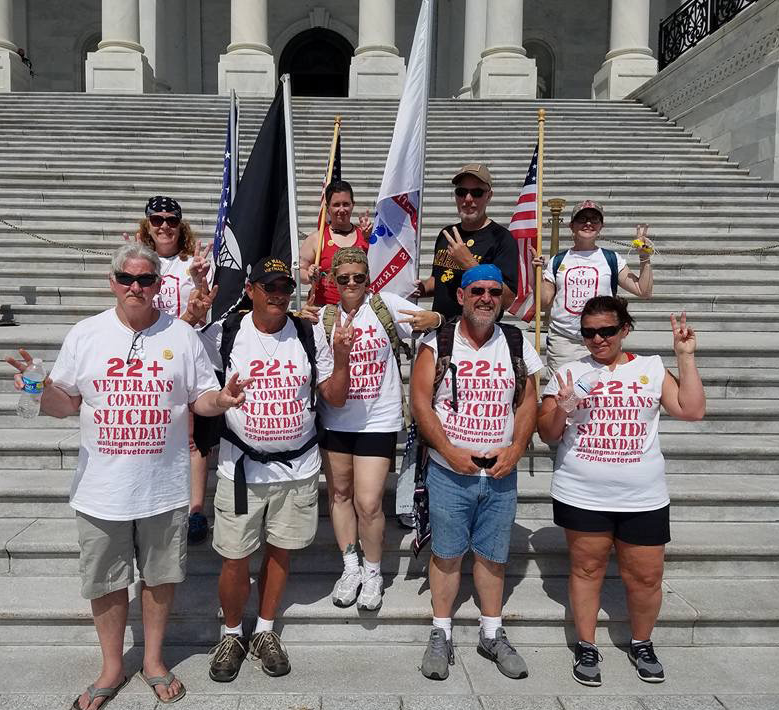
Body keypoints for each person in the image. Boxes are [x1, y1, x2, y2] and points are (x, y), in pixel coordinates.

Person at [6, 242, 249, 710]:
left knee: (159, 579)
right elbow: (66, 404)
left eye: (146, 279)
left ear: (160, 284)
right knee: (106, 582)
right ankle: (112, 667)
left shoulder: (180, 335)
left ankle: (154, 661)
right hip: (101, 489)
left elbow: (199, 398)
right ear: (112, 281)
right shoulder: (86, 334)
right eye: (127, 278)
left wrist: (221, 401)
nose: (136, 287)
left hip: (163, 486)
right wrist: (38, 390)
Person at [537, 296, 705, 687]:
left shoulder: (649, 368)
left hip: (642, 496)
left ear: (624, 329)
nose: (597, 339)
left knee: (645, 576)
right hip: (582, 493)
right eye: (589, 332)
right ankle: (586, 644)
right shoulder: (569, 371)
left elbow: (692, 410)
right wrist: (563, 407)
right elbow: (547, 433)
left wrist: (685, 356)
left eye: (606, 331)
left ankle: (641, 641)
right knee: (587, 568)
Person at [201, 257, 353, 682]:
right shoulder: (227, 333)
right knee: (234, 557)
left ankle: (265, 630)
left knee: (280, 551)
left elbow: (335, 398)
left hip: (297, 467)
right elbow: (191, 371)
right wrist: (195, 312)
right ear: (250, 290)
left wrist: (341, 358)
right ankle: (232, 633)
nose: (278, 295)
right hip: (242, 469)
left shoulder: (308, 333)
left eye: (284, 287)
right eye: (268, 287)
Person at [410, 264, 542, 681]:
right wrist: (448, 451)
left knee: (492, 556)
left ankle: (491, 631)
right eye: (478, 291)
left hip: (499, 469)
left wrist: (517, 449)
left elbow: (527, 404)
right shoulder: (437, 343)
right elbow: (420, 403)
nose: (487, 298)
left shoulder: (517, 342)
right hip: (451, 470)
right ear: (462, 296)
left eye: (494, 292)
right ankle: (441, 632)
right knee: (446, 555)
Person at [316, 246, 442, 610]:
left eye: (359, 277)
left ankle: (373, 572)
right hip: (337, 420)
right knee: (339, 495)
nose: (352, 283)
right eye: (344, 279)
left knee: (368, 502)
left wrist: (432, 319)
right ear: (334, 282)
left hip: (378, 419)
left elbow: (433, 319)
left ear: (368, 279)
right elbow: (328, 385)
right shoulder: (325, 318)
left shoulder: (384, 305)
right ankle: (350, 566)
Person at [129, 195, 214, 545]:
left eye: (171, 220)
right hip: (149, 357)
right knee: (151, 430)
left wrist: (200, 280)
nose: (164, 225)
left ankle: (195, 509)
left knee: (192, 436)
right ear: (147, 224)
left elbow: (204, 309)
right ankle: (147, 499)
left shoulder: (190, 262)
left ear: (182, 225)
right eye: (157, 219)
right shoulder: (139, 262)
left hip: (188, 355)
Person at [535, 200, 654, 375]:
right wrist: (535, 273)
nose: (588, 223)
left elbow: (643, 290)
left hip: (602, 339)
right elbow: (544, 302)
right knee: (563, 395)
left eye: (594, 220)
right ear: (572, 225)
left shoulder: (611, 258)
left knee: (601, 396)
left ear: (601, 226)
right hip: (565, 342)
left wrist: (644, 258)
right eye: (582, 219)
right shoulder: (558, 261)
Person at [414, 163, 519, 320]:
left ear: (489, 196)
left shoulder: (502, 238)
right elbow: (439, 280)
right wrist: (421, 288)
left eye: (477, 192)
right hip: (440, 329)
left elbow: (508, 299)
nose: (468, 199)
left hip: (478, 336)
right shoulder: (446, 234)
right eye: (461, 192)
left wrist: (469, 264)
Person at [299, 179, 373, 308]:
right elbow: (297, 270)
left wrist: (369, 240)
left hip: (361, 310)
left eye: (346, 204)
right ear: (327, 207)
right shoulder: (317, 238)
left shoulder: (365, 235)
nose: (342, 209)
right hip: (325, 309)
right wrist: (308, 275)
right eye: (336, 204)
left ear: (353, 205)